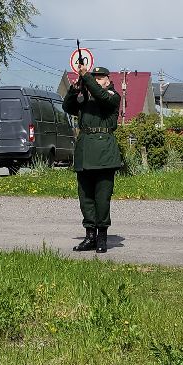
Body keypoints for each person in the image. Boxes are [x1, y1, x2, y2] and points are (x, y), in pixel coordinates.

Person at [64, 62, 123, 253]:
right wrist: (75, 89)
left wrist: (87, 78)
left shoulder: (112, 96)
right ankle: (90, 236)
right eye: (95, 78)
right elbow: (67, 106)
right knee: (86, 197)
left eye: (100, 78)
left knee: (102, 198)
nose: (97, 81)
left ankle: (102, 237)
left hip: (104, 153)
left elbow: (102, 96)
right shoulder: (86, 99)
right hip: (85, 152)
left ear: (108, 80)